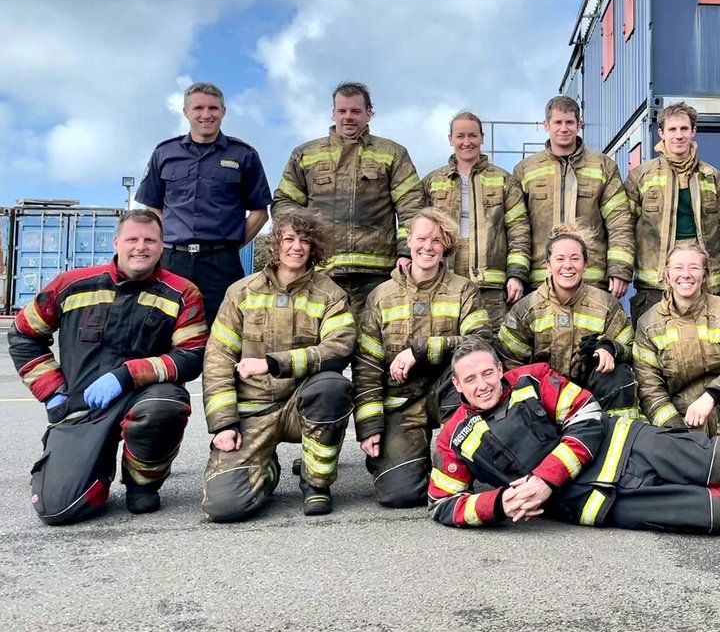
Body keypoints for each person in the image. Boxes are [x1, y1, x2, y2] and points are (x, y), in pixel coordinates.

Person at [428, 339, 720, 531]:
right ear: (458, 385)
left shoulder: (531, 379)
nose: (483, 383)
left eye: (489, 372)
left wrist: (544, 480)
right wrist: (497, 504)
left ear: (500, 370)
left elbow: (586, 416)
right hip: (597, 502)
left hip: (627, 445)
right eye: (472, 379)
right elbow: (443, 505)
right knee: (711, 515)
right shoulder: (452, 437)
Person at [8, 210, 207, 524]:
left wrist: (127, 375)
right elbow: (23, 334)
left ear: (161, 246)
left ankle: (142, 483)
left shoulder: (183, 293)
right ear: (117, 243)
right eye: (132, 239)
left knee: (166, 406)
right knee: (58, 509)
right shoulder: (70, 285)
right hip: (81, 406)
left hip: (142, 396)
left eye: (149, 240)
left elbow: (191, 355)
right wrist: (53, 393)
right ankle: (86, 467)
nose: (140, 247)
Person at [200, 210, 356, 521]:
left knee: (333, 387)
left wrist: (273, 363)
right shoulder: (241, 292)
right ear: (275, 244)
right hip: (252, 409)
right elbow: (218, 357)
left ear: (314, 247)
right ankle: (265, 468)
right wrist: (223, 423)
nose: (296, 247)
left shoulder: (331, 295)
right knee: (223, 506)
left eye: (305, 240)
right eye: (289, 239)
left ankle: (316, 483)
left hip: (301, 405)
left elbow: (339, 346)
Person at [353, 207, 492, 507]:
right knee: (400, 494)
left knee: (465, 378)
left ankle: (456, 465)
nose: (428, 247)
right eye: (422, 238)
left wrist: (421, 351)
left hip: (447, 394)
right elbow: (366, 367)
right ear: (409, 241)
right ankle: (412, 462)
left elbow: (481, 341)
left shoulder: (463, 290)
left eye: (437, 240)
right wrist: (369, 427)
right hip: (400, 403)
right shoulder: (381, 296)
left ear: (446, 247)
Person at [272, 82, 423, 318]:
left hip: (378, 274)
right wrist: (297, 247)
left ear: (369, 114)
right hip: (321, 270)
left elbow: (411, 206)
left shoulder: (393, 153)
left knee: (374, 346)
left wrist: (406, 252)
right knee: (323, 346)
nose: (348, 117)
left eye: (355, 111)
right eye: (342, 111)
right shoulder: (305, 154)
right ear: (333, 113)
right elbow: (284, 204)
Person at [135, 82, 272, 325]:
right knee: (164, 328)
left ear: (223, 112)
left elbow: (260, 213)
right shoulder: (165, 153)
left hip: (221, 265)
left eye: (213, 108)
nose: (206, 115)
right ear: (186, 112)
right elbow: (152, 207)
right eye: (198, 108)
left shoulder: (243, 155)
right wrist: (165, 241)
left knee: (223, 332)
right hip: (172, 261)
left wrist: (230, 246)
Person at [497, 226, 639, 417]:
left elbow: (629, 347)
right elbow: (510, 362)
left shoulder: (607, 305)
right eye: (560, 259)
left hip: (593, 396)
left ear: (585, 264)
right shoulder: (526, 309)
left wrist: (609, 348)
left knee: (619, 374)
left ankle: (622, 437)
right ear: (548, 265)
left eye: (575, 258)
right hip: (543, 400)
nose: (568, 265)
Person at [632, 244, 720, 440]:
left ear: (705, 275)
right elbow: (649, 389)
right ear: (667, 274)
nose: (686, 274)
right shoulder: (649, 324)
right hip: (681, 421)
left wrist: (713, 396)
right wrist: (678, 435)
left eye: (694, 268)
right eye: (678, 268)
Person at [515, 95, 635, 298]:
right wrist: (517, 274)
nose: (564, 128)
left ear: (580, 124)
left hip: (592, 278)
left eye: (570, 122)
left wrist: (619, 268)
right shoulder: (526, 170)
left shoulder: (603, 166)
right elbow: (517, 229)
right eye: (558, 122)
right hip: (540, 279)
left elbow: (620, 221)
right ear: (546, 125)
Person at [625, 102, 720, 325]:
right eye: (672, 129)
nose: (679, 135)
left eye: (684, 129)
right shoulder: (641, 177)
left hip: (703, 281)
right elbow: (627, 225)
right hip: (653, 284)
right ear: (661, 133)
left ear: (693, 131)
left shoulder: (713, 177)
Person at [422, 111, 531, 328]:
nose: (466, 142)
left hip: (491, 286)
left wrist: (516, 275)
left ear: (482, 138)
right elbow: (418, 231)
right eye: (460, 136)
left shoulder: (504, 181)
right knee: (447, 344)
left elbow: (519, 231)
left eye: (472, 136)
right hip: (444, 282)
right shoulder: (432, 182)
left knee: (491, 345)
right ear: (450, 139)